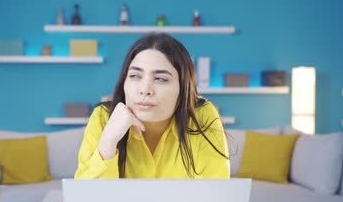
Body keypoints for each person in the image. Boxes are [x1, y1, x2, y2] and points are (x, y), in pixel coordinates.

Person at [75, 33, 229, 179]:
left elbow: (214, 196)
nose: (145, 90)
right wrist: (109, 140)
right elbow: (85, 201)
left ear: (183, 88)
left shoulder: (201, 116)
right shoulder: (103, 117)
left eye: (161, 79)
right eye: (135, 76)